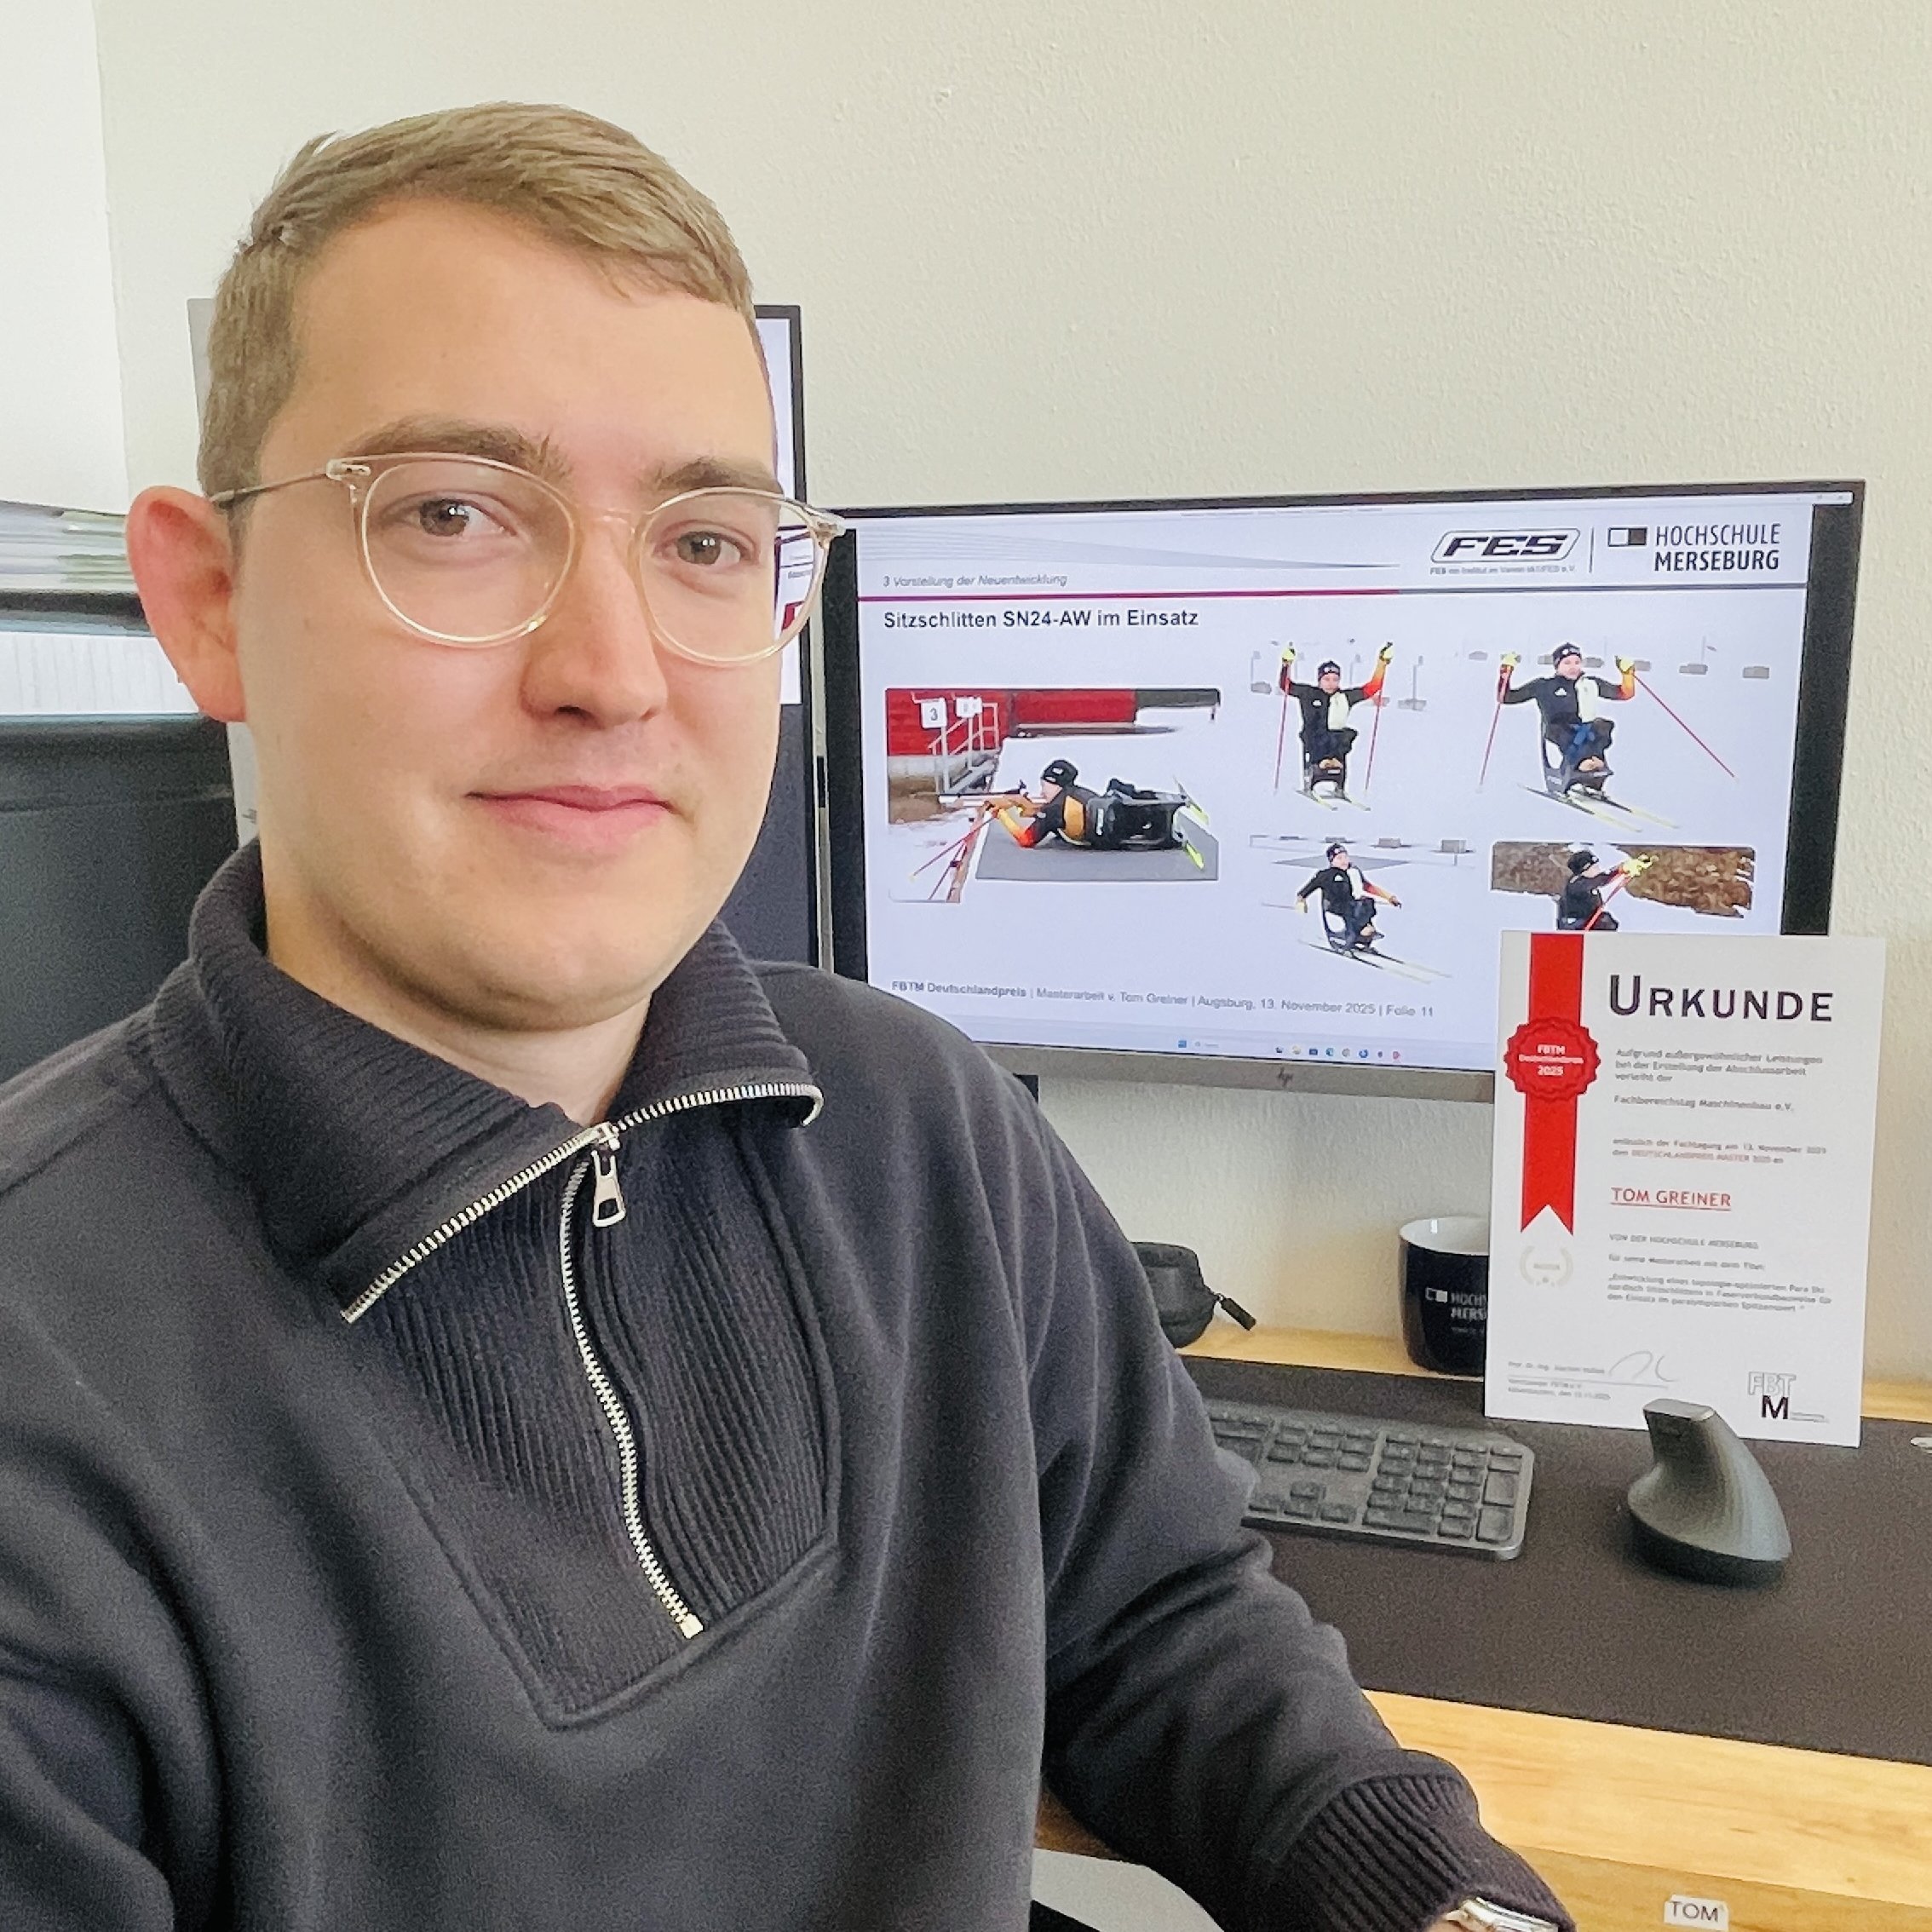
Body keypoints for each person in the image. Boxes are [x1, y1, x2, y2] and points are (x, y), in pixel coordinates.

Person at [0, 105, 1567, 1932]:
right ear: (207, 605)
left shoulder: (921, 1125)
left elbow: (1156, 1615)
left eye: (710, 540)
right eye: (454, 515)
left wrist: (1428, 1895)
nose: (611, 670)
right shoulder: (48, 1408)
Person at [1498, 642, 1636, 784]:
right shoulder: (1543, 686)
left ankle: (1594, 764)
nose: (1573, 667)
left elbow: (1624, 693)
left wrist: (1627, 673)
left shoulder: (1589, 684)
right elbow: (1506, 697)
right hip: (1557, 727)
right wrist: (1505, 673)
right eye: (1567, 663)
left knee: (1601, 727)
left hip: (1584, 725)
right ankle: (1580, 765)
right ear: (1557, 666)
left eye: (1577, 662)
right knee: (1567, 733)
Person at [992, 757, 1183, 851]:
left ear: (1055, 784)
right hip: (1119, 817)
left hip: (1114, 832)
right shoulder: (1076, 793)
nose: (1042, 791)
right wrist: (1018, 804)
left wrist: (1001, 815)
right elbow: (1042, 813)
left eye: (1044, 786)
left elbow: (1026, 840)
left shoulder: (1054, 811)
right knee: (1117, 788)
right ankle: (1158, 806)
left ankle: (1161, 821)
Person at [1279, 642, 1392, 785]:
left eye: (1335, 679)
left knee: (1344, 735)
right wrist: (1286, 664)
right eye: (1326, 679)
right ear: (1319, 680)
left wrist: (1382, 663)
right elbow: (1286, 685)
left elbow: (1372, 688)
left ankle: (1335, 764)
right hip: (1313, 736)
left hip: (1336, 737)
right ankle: (1321, 763)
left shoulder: (1345, 697)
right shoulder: (1308, 693)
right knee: (1320, 736)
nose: (1331, 683)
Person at [1297, 841, 1401, 950]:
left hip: (1354, 906)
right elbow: (1310, 886)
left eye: (1345, 857)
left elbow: (1368, 887)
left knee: (1366, 903)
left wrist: (1389, 897)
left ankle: (1364, 935)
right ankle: (1352, 937)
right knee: (1355, 909)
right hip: (1336, 908)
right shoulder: (1326, 875)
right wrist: (1301, 899)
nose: (1344, 861)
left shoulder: (1354, 872)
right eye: (1339, 858)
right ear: (1332, 861)